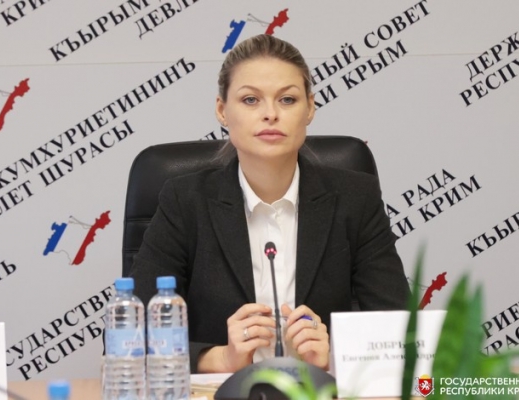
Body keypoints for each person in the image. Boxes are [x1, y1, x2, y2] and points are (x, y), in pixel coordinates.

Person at [129, 34, 410, 374]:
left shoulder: (355, 199)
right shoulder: (184, 201)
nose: (271, 114)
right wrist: (221, 358)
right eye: (250, 100)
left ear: (310, 108)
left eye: (287, 99)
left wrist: (335, 356)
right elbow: (131, 338)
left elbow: (400, 330)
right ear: (222, 110)